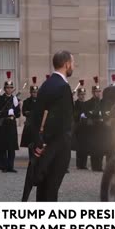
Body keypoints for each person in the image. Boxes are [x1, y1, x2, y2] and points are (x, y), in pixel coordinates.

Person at [31, 50, 75, 201]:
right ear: (66, 64)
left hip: (44, 143)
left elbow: (37, 116)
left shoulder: (47, 84)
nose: (73, 67)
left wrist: (40, 141)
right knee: (51, 188)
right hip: (57, 145)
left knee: (44, 187)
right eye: (72, 63)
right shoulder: (62, 86)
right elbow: (62, 121)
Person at [0, 78, 21, 173]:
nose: (9, 89)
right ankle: (3, 166)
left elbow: (18, 114)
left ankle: (10, 166)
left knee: (11, 147)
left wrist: (16, 110)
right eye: (7, 87)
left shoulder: (15, 99)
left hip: (11, 124)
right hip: (3, 124)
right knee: (3, 146)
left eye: (11, 87)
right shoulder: (0, 99)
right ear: (4, 88)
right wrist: (8, 112)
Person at [85, 76, 105, 172]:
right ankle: (94, 166)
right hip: (93, 128)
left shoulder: (102, 103)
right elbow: (86, 113)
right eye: (96, 92)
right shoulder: (88, 103)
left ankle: (99, 166)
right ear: (93, 92)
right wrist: (92, 115)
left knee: (100, 148)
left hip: (101, 128)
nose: (98, 93)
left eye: (99, 92)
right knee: (94, 148)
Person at [20, 76, 39, 158]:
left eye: (36, 92)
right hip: (30, 124)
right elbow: (24, 112)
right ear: (30, 92)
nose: (35, 93)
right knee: (30, 143)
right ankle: (31, 157)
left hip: (38, 124)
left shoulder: (40, 101)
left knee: (37, 143)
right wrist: (32, 113)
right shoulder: (26, 101)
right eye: (33, 92)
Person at [72, 80, 89, 170]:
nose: (83, 96)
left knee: (85, 146)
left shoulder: (86, 104)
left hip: (86, 127)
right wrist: (79, 115)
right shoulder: (76, 104)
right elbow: (74, 114)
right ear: (78, 95)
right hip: (79, 126)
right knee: (79, 147)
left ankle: (84, 164)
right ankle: (79, 164)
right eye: (81, 95)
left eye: (84, 94)